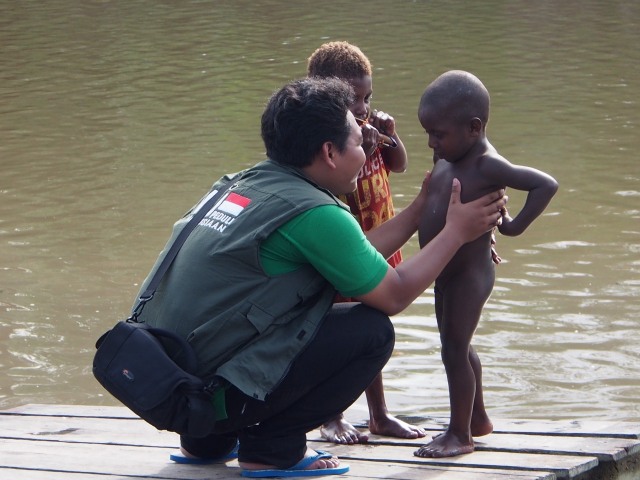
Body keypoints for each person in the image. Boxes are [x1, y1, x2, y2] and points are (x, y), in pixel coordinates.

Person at [134, 76, 507, 477]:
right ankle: (273, 448)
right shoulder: (315, 213)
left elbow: (354, 256)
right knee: (371, 331)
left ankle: (209, 443)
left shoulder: (244, 184)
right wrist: (456, 232)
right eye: (357, 141)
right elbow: (395, 294)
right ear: (329, 152)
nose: (367, 154)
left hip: (164, 385)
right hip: (204, 398)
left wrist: (421, 207)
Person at [415, 70, 558, 458]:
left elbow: (545, 184)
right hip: (444, 272)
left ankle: (459, 434)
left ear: (474, 128)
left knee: (454, 349)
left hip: (469, 275)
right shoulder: (450, 152)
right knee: (455, 345)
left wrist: (510, 227)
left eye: (438, 134)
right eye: (428, 132)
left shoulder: (487, 164)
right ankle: (477, 419)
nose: (432, 142)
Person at [307, 41, 423, 445]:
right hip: (346, 249)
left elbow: (402, 165)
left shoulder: (372, 127)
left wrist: (390, 136)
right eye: (353, 99)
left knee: (375, 328)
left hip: (382, 242)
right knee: (340, 332)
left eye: (367, 97)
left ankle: (379, 414)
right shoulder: (328, 143)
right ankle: (331, 415)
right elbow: (326, 196)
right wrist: (359, 146)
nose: (362, 107)